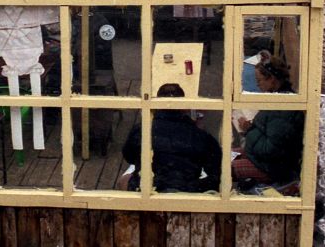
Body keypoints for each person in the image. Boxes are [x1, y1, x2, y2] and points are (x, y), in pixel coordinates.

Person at [118, 85, 221, 193]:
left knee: (124, 180)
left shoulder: (141, 129)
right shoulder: (200, 136)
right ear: (184, 107)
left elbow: (129, 156)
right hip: (185, 191)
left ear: (156, 105)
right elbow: (215, 170)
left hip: (147, 189)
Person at [233, 53, 304, 185]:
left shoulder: (283, 108)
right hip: (261, 159)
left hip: (271, 168)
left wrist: (249, 131)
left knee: (223, 168)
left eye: (259, 80)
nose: (258, 85)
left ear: (272, 79)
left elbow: (270, 150)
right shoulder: (279, 98)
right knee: (222, 155)